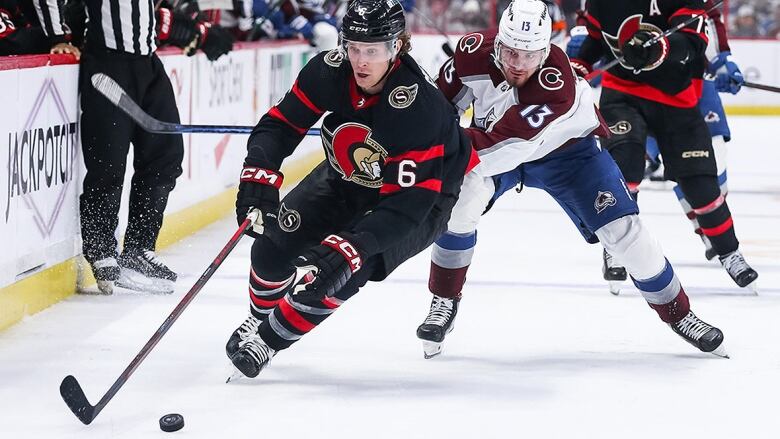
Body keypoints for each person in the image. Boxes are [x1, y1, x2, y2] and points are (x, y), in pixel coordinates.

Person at [416, 0, 727, 360]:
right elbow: (440, 109)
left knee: (624, 231)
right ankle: (443, 299)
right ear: (498, 40)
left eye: (529, 55)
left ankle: (680, 314)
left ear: (546, 50)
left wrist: (434, 157)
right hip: (495, 144)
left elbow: (501, 149)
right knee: (461, 204)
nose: (517, 64)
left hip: (567, 154)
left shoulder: (556, 84)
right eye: (511, 51)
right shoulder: (472, 52)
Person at [225, 0, 476, 379]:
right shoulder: (329, 71)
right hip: (347, 176)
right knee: (270, 250)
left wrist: (353, 247)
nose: (360, 61)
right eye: (353, 47)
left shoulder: (417, 106)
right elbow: (280, 125)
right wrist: (258, 171)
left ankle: (267, 340)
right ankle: (260, 319)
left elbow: (409, 205)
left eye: (372, 51)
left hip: (424, 198)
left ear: (397, 47)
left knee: (338, 273)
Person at [38, 0, 233, 294]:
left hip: (148, 62)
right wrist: (58, 37)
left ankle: (138, 248)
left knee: (166, 156)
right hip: (107, 63)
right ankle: (101, 249)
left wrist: (191, 28)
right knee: (108, 162)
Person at [569, 0, 758, 292]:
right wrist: (580, 63)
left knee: (701, 184)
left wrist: (669, 50)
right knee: (624, 167)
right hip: (623, 93)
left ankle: (728, 251)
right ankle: (615, 248)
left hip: (676, 97)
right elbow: (595, 37)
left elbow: (692, 40)